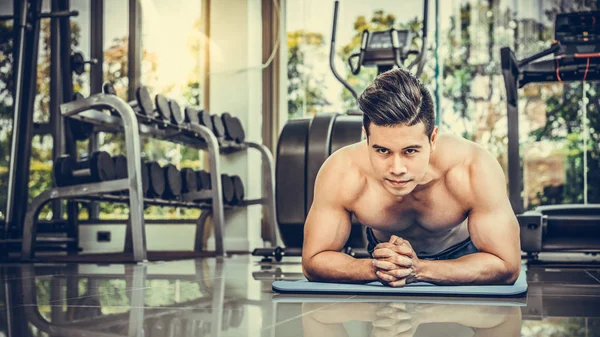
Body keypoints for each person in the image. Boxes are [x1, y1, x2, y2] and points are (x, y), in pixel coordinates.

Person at [301, 68, 521, 287]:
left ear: (432, 139)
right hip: (384, 263)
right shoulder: (343, 170)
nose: (397, 168)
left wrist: (420, 269)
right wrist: (377, 268)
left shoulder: (473, 168)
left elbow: (506, 265)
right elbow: (314, 260)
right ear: (366, 137)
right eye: (383, 151)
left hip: (465, 261)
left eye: (410, 151)